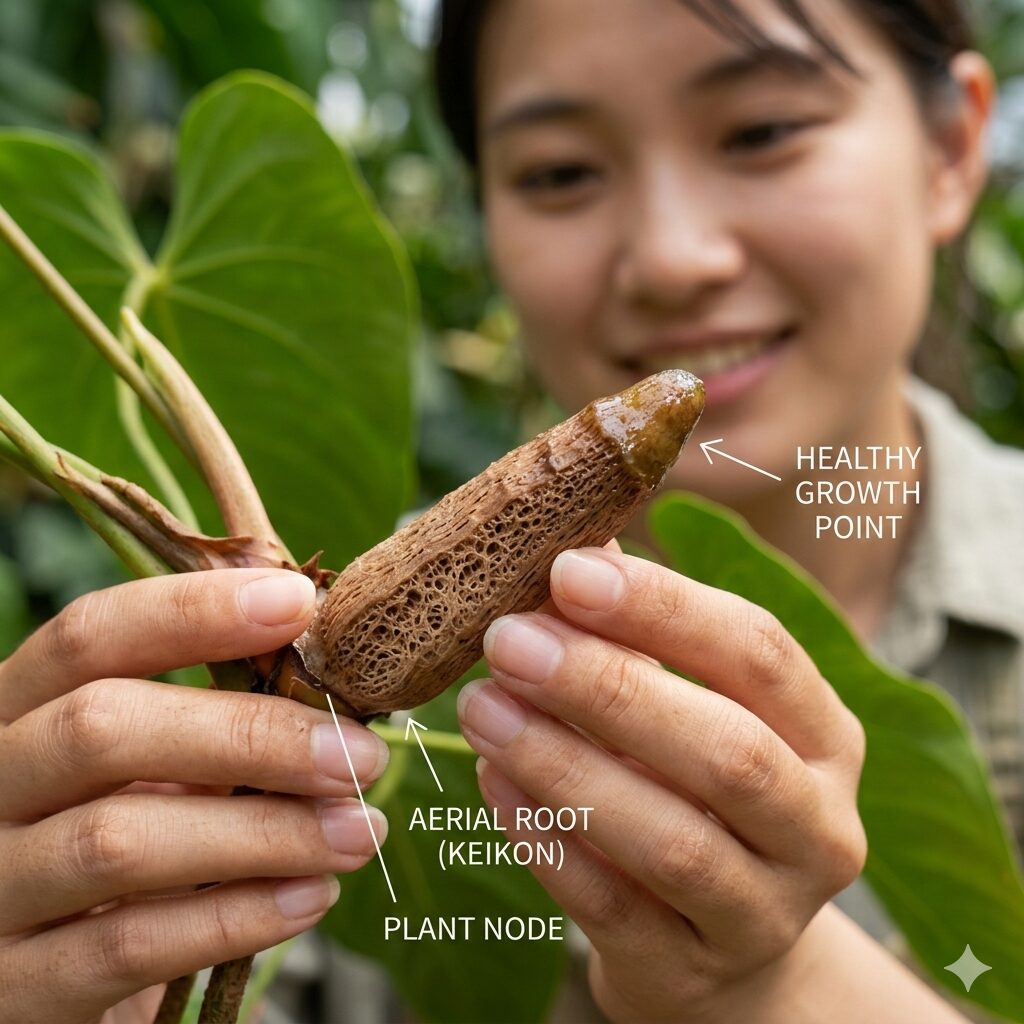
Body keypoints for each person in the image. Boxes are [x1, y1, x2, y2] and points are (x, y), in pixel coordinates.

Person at [0, 4, 1018, 1024]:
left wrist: (779, 987)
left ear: (950, 148)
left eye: (762, 131)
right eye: (560, 171)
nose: (673, 258)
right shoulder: (301, 732)